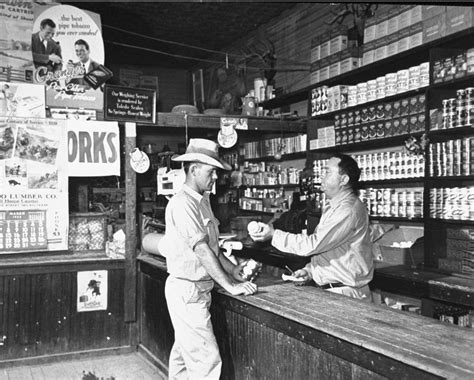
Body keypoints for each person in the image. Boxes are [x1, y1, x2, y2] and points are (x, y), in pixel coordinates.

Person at [158, 138, 258, 379]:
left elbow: (212, 249)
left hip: (197, 291)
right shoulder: (182, 204)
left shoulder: (202, 202)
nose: (216, 177)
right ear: (193, 170)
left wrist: (233, 270)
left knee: (184, 357)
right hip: (187, 290)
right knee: (206, 362)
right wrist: (230, 286)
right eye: (211, 171)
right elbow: (201, 250)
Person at [250, 153, 374, 301]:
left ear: (344, 179)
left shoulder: (347, 210)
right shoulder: (334, 206)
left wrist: (273, 235)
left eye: (327, 172)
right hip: (334, 291)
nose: (322, 176)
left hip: (346, 294)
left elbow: (313, 244)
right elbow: (331, 251)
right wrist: (309, 271)